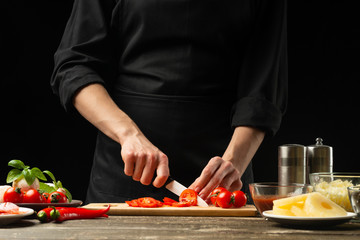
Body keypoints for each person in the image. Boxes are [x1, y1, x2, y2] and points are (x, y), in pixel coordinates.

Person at [51, 0, 288, 204]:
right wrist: (128, 135)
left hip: (224, 174)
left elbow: (263, 87)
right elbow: (75, 66)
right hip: (126, 171)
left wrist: (234, 161)